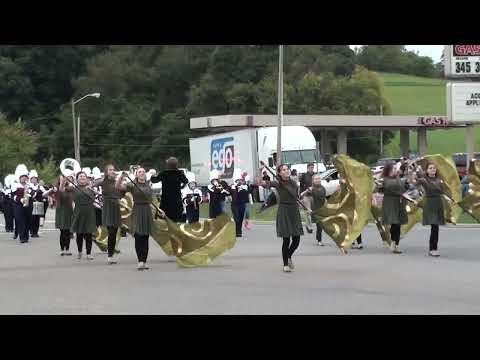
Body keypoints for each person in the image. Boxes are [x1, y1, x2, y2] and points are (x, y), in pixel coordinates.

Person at [117, 167, 162, 270]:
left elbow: (151, 201)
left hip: (147, 211)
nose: (142, 173)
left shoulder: (148, 185)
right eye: (139, 172)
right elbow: (118, 187)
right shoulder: (132, 185)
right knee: (138, 236)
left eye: (143, 172)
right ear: (136, 175)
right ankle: (140, 261)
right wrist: (121, 177)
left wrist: (158, 210)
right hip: (137, 210)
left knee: (145, 236)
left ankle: (144, 261)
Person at [262, 164, 304, 273]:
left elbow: (296, 197)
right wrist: (261, 175)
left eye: (287, 169)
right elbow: (263, 183)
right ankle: (285, 264)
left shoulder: (294, 183)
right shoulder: (278, 183)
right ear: (280, 173)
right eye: (283, 170)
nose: (286, 171)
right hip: (284, 210)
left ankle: (289, 256)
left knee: (296, 239)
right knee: (286, 239)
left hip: (294, 211)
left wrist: (301, 204)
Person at [62, 171, 97, 260]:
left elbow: (96, 197)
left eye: (84, 176)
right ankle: (80, 252)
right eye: (80, 176)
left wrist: (93, 190)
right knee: (79, 234)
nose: (82, 177)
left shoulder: (91, 187)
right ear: (77, 179)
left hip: (89, 212)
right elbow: (62, 189)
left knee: (89, 234)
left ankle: (88, 253)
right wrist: (63, 181)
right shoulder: (74, 188)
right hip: (78, 212)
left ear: (87, 178)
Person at [416, 163, 446, 257]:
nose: (433, 169)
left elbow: (443, 191)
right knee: (435, 226)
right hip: (430, 204)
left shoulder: (439, 180)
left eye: (434, 168)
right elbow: (414, 182)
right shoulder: (424, 180)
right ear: (427, 170)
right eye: (430, 168)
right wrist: (413, 173)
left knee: (435, 227)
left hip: (438, 204)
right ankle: (433, 249)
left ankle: (433, 249)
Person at [94, 164, 122, 264]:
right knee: (111, 231)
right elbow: (92, 185)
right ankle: (110, 256)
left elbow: (122, 191)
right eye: (110, 170)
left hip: (116, 207)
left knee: (114, 232)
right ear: (106, 172)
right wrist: (93, 190)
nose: (112, 171)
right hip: (108, 207)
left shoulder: (117, 182)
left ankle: (111, 255)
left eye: (113, 169)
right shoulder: (103, 181)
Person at [150, 157, 189, 222]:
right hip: (177, 200)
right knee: (177, 219)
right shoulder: (180, 173)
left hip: (166, 201)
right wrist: (181, 186)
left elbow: (154, 180)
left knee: (165, 218)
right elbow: (186, 181)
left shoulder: (164, 173)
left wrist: (152, 175)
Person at [382, 162, 408, 254]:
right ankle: (393, 241)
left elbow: (402, 189)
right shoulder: (385, 180)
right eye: (393, 169)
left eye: (395, 168)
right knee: (395, 223)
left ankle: (395, 244)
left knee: (398, 224)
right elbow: (388, 186)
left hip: (399, 203)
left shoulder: (398, 179)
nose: (395, 170)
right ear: (388, 170)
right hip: (389, 203)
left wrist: (406, 185)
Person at [46, 176, 73, 256]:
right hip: (60, 210)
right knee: (62, 231)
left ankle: (67, 249)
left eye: (66, 178)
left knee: (68, 231)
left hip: (69, 210)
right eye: (62, 178)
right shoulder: (56, 188)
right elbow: (45, 194)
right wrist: (52, 190)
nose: (64, 180)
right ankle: (62, 249)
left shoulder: (70, 188)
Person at [300, 174, 326, 246]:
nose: (318, 180)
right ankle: (309, 226)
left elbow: (320, 194)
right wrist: (306, 191)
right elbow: (302, 195)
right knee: (317, 223)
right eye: (316, 179)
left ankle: (318, 239)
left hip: (320, 209)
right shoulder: (311, 188)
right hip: (313, 209)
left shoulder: (322, 188)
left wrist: (312, 190)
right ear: (313, 181)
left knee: (320, 225)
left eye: (319, 179)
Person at [12, 172, 32, 243]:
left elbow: (32, 193)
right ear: (19, 178)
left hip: (28, 205)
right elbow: (13, 196)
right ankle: (22, 237)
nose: (24, 178)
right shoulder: (15, 185)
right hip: (18, 205)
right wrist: (20, 199)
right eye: (22, 177)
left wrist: (30, 194)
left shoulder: (28, 185)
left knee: (27, 220)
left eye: (25, 177)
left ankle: (26, 237)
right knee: (21, 221)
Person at [229, 173, 250, 237]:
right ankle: (235, 230)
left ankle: (239, 232)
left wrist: (242, 189)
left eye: (240, 180)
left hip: (242, 204)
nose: (239, 181)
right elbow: (229, 193)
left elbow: (247, 194)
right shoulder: (232, 187)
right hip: (235, 205)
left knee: (240, 218)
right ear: (235, 181)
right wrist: (235, 188)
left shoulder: (244, 187)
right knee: (236, 217)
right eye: (238, 180)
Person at [28, 170, 46, 238]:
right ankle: (32, 231)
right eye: (32, 178)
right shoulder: (29, 186)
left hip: (39, 204)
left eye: (35, 178)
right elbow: (32, 195)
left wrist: (50, 190)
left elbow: (45, 193)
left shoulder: (40, 186)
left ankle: (36, 231)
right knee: (32, 218)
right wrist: (36, 191)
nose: (34, 180)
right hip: (31, 204)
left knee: (37, 219)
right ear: (30, 179)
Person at [299, 163, 316, 234]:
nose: (312, 169)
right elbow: (301, 185)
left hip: (313, 195)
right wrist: (301, 195)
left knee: (311, 211)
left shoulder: (315, 175)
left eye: (313, 167)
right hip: (306, 195)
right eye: (310, 167)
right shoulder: (304, 175)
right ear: (308, 168)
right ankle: (310, 227)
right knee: (308, 210)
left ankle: (307, 224)